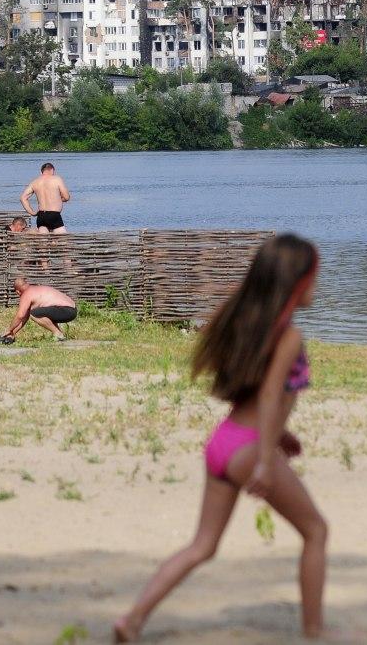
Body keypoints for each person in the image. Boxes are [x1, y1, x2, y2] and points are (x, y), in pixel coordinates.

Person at [113, 234, 328, 643]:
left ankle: (133, 619)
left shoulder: (251, 323)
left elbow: (260, 393)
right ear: (298, 282)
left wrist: (283, 435)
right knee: (316, 531)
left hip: (224, 442)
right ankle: (316, 631)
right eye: (315, 277)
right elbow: (269, 395)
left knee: (203, 545)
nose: (318, 285)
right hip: (248, 448)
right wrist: (266, 458)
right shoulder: (289, 337)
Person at [1, 277, 77, 341]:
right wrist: (12, 333)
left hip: (67, 310)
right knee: (41, 313)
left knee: (34, 313)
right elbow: (25, 317)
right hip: (72, 310)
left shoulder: (27, 294)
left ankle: (58, 334)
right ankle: (60, 335)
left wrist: (9, 330)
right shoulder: (35, 289)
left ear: (17, 291)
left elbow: (20, 316)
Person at [20, 162, 71, 234]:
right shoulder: (57, 179)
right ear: (52, 170)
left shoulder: (35, 182)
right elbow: (67, 197)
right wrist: (58, 200)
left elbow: (23, 198)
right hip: (54, 215)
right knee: (61, 240)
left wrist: (32, 212)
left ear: (41, 172)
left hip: (41, 216)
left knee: (43, 242)